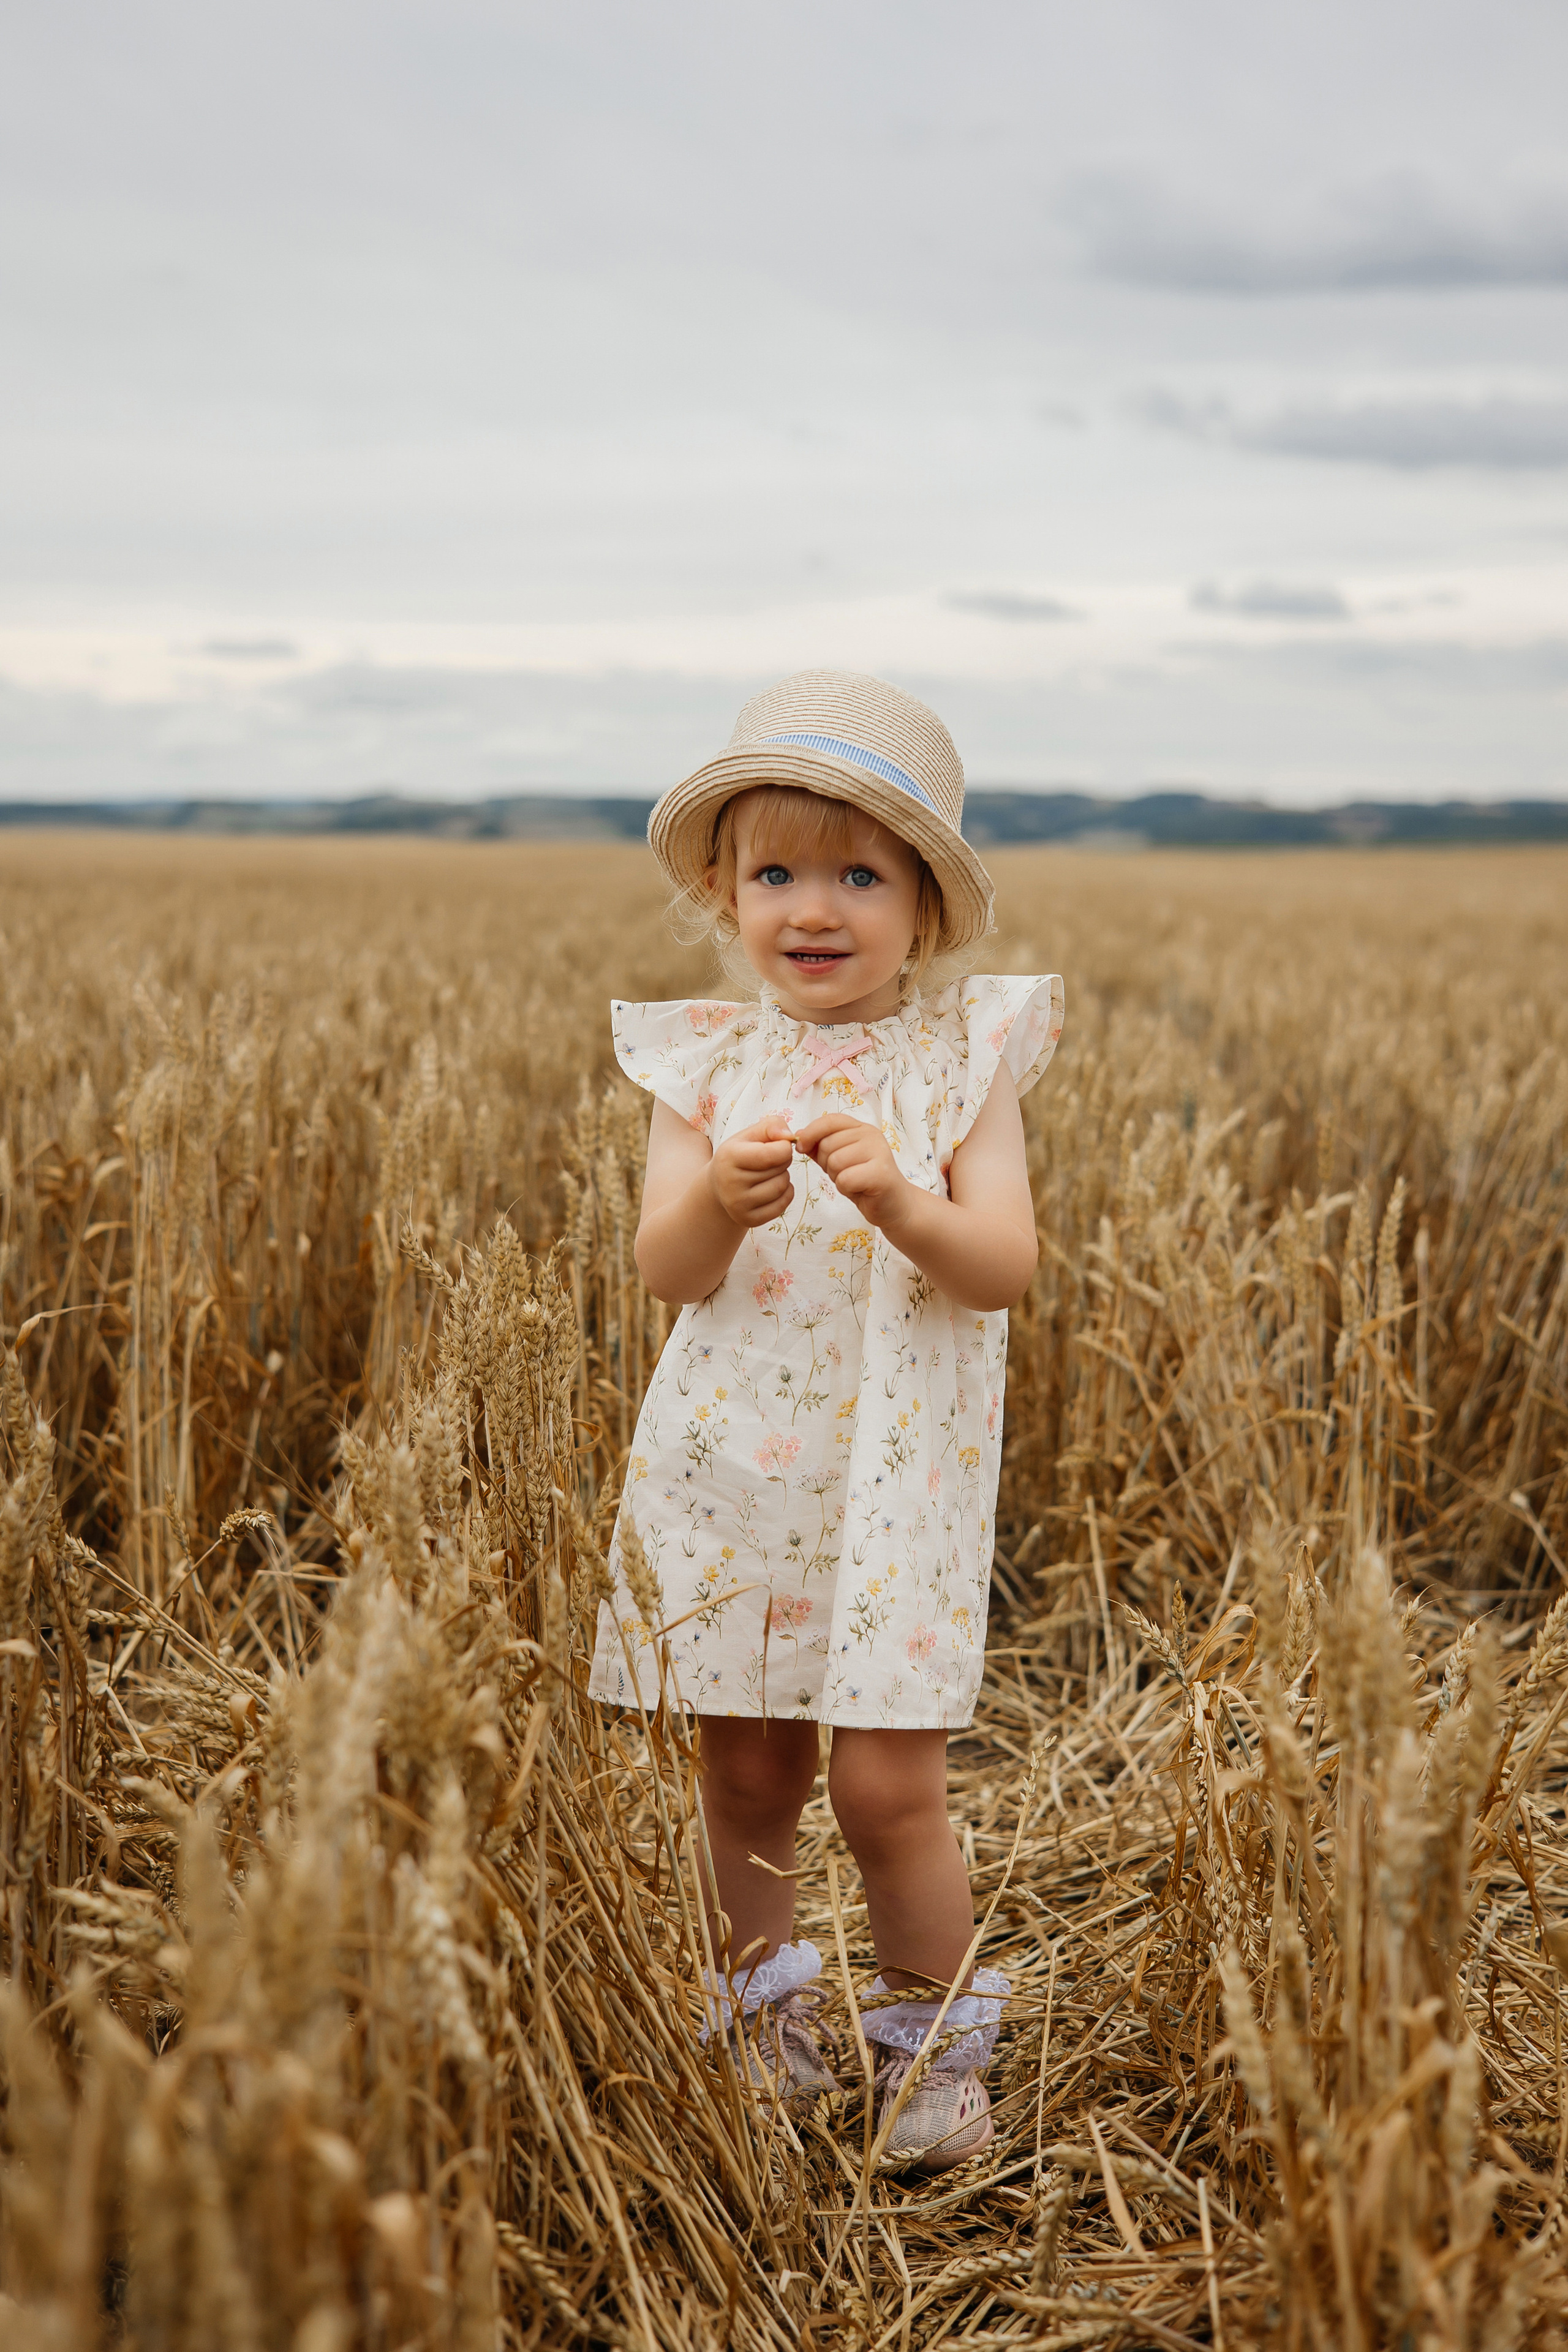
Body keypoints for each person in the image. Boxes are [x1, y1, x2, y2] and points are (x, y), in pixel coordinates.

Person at [589, 670, 1063, 2171]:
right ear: (724, 893)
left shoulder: (957, 1063)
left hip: (896, 1475)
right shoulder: (704, 1066)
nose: (814, 907)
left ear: (921, 909)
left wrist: (900, 1202)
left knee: (882, 1782)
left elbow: (1004, 1269)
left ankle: (934, 2054)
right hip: (731, 1461)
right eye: (775, 871)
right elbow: (664, 1268)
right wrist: (721, 1200)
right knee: (744, 1769)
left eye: (859, 873)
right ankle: (769, 2025)